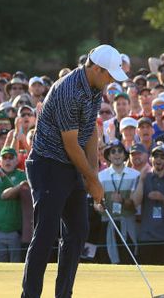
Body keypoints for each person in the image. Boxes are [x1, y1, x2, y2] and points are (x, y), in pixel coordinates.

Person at [22, 45, 126, 298]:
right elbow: (70, 143)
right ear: (97, 69)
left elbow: (90, 131)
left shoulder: (95, 88)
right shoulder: (69, 90)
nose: (112, 80)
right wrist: (92, 179)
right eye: (109, 75)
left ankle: (63, 294)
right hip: (47, 164)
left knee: (78, 230)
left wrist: (94, 175)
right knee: (46, 233)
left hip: (70, 164)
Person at [132, 144, 164, 265]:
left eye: (162, 157)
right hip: (147, 236)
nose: (158, 159)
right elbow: (135, 203)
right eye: (156, 156)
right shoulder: (143, 178)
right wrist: (142, 181)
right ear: (151, 159)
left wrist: (163, 198)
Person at [96, 140, 139, 264]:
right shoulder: (101, 176)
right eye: (113, 151)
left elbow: (135, 203)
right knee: (107, 261)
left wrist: (123, 201)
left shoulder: (135, 175)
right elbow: (96, 203)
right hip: (107, 224)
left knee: (130, 260)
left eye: (120, 151)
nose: (116, 154)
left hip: (128, 224)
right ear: (108, 156)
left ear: (125, 155)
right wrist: (99, 207)